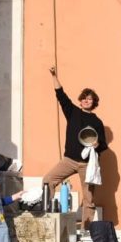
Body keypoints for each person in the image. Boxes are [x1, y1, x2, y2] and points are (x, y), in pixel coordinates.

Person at [43, 66, 107, 227]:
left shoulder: (97, 122)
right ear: (80, 100)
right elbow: (61, 95)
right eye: (84, 98)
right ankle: (47, 217)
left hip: (87, 164)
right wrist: (53, 75)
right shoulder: (72, 112)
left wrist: (97, 144)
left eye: (90, 98)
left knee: (89, 198)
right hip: (69, 159)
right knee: (48, 180)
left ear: (94, 102)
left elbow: (103, 145)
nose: (86, 100)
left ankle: (88, 230)